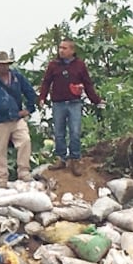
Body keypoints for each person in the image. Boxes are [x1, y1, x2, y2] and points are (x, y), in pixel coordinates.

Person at [38, 40, 102, 176]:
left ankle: (75, 159)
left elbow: (87, 84)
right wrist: (42, 97)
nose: (61, 50)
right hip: (58, 103)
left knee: (75, 132)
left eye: (64, 48)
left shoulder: (79, 65)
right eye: (60, 47)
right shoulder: (53, 65)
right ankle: (61, 158)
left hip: (74, 103)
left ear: (72, 50)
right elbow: (46, 82)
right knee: (59, 133)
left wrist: (96, 100)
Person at [0, 50, 37, 187]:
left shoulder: (17, 78)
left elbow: (30, 93)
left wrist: (28, 109)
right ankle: (1, 179)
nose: (3, 67)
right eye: (1, 65)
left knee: (25, 141)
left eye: (5, 64)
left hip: (16, 118)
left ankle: (24, 172)